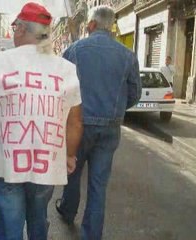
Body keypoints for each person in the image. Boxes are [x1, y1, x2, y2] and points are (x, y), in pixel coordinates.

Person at [0, 2, 83, 240]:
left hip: (5, 164)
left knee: (9, 228)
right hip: (45, 163)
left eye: (14, 27)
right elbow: (75, 122)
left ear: (19, 29)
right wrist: (69, 155)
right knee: (39, 218)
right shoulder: (66, 69)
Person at [55, 5, 141, 240]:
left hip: (78, 123)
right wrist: (117, 110)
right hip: (109, 127)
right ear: (111, 26)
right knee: (98, 184)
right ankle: (91, 235)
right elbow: (135, 92)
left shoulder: (74, 50)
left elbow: (59, 87)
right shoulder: (127, 55)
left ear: (91, 25)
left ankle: (67, 209)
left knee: (72, 170)